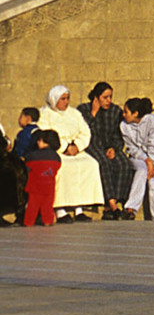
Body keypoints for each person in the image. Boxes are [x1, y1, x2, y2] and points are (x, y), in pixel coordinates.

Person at [38, 85, 103, 220]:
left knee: (90, 164)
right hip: (56, 150)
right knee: (64, 168)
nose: (66, 102)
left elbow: (85, 132)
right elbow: (47, 135)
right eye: (63, 99)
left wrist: (77, 146)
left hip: (75, 150)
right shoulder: (44, 114)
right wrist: (65, 147)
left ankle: (79, 208)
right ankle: (60, 209)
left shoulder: (74, 113)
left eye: (67, 98)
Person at [84, 83, 132, 219]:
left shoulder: (115, 111)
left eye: (110, 97)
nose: (108, 101)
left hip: (110, 147)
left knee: (124, 164)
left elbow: (119, 135)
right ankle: (111, 203)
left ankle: (116, 201)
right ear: (96, 98)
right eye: (105, 97)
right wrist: (93, 113)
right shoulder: (84, 109)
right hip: (92, 146)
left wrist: (114, 148)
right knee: (103, 164)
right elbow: (82, 130)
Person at [122, 97, 154, 221]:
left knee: (153, 182)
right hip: (138, 158)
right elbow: (131, 148)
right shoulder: (124, 126)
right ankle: (131, 209)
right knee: (141, 170)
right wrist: (146, 161)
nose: (123, 115)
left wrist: (152, 163)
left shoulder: (153, 122)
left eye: (126, 112)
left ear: (135, 113)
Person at [22, 127, 60, 226]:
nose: (38, 142)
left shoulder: (33, 156)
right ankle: (48, 221)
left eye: (40, 140)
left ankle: (28, 222)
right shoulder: (56, 157)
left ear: (45, 142)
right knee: (47, 205)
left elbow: (27, 166)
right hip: (49, 185)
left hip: (35, 186)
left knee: (33, 206)